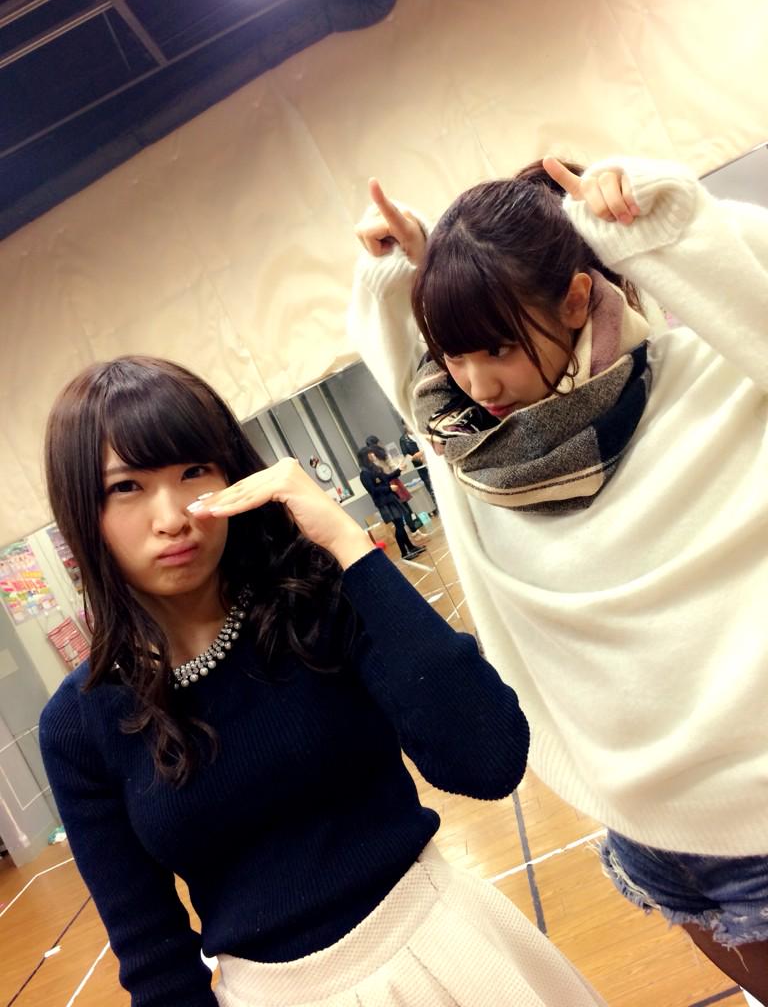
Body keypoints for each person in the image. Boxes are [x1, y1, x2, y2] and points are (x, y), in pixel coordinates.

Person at [38, 356, 606, 1007]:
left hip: (448, 949)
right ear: (82, 512)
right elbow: (153, 955)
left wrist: (345, 543)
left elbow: (489, 758)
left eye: (194, 471)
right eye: (126, 488)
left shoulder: (315, 602)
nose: (172, 517)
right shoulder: (79, 724)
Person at [349, 158, 768, 999]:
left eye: (497, 346)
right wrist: (397, 272)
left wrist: (666, 221)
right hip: (644, 829)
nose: (478, 384)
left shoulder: (710, 380)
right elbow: (401, 358)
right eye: (454, 354)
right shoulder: (470, 452)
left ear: (578, 299)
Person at [357, 445, 424, 559]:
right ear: (365, 457)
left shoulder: (374, 467)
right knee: (399, 526)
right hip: (385, 503)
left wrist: (399, 470)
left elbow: (387, 478)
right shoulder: (364, 474)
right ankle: (404, 553)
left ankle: (411, 547)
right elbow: (373, 490)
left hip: (391, 499)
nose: (372, 455)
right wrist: (389, 488)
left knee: (400, 524)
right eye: (370, 454)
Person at [398, 422, 437, 507]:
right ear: (404, 426)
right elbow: (407, 457)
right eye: (408, 424)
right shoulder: (404, 440)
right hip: (422, 468)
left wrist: (423, 452)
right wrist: (416, 457)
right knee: (432, 490)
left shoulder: (421, 433)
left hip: (434, 462)